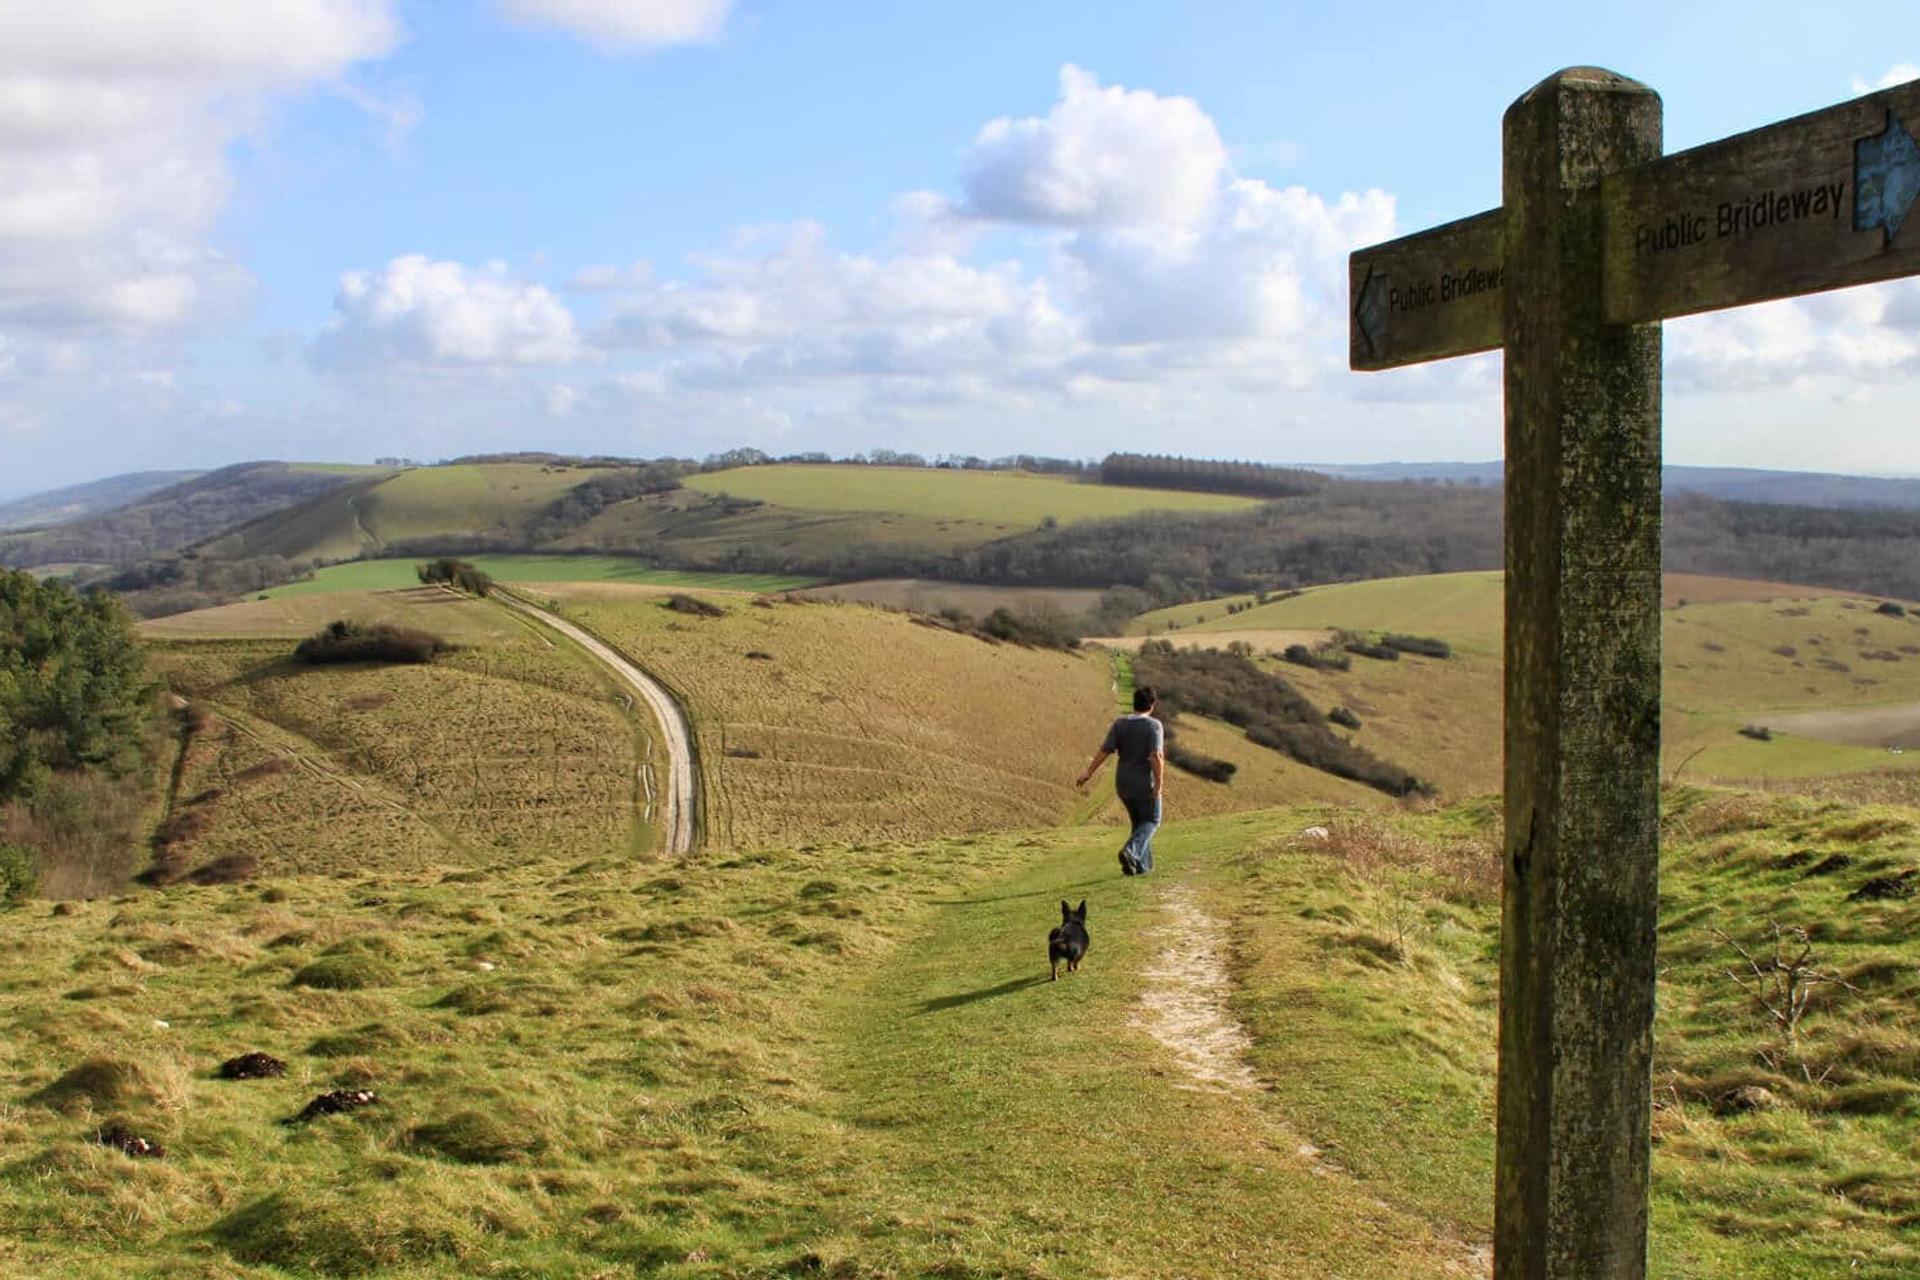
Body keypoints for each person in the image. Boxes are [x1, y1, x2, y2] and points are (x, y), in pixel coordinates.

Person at [1075, 684, 1164, 875]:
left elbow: (1105, 750)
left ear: (1134, 704)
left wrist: (1088, 772)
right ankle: (1130, 852)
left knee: (1139, 825)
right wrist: (1158, 784)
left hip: (1123, 784)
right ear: (1152, 705)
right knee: (1153, 820)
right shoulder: (1153, 726)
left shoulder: (1119, 724)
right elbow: (1156, 756)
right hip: (1143, 784)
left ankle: (1140, 867)